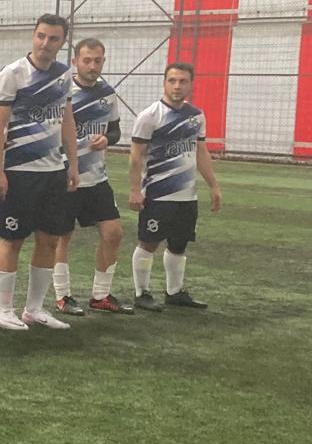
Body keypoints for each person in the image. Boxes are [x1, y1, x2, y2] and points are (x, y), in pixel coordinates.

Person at [0, 13, 80, 331]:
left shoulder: (64, 75)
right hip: (19, 172)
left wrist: (73, 165)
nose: (45, 43)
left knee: (50, 240)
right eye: (41, 36)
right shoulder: (13, 74)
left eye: (53, 38)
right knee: (12, 239)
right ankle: (3, 310)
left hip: (53, 171)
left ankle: (34, 309)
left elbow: (67, 120)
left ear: (62, 42)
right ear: (33, 35)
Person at [128, 61, 221, 311]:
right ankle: (141, 293)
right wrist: (135, 190)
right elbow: (136, 156)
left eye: (182, 81)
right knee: (149, 242)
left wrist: (213, 185)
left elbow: (200, 151)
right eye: (172, 81)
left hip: (187, 195)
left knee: (179, 244)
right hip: (158, 194)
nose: (177, 86)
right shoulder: (150, 116)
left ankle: (174, 291)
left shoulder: (196, 116)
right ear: (164, 83)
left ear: (191, 84)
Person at [53, 37, 130, 315]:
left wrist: (107, 139)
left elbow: (116, 130)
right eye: (87, 60)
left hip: (97, 178)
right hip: (65, 177)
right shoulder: (62, 91)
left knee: (113, 233)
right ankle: (63, 296)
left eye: (97, 61)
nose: (92, 66)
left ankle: (100, 295)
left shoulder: (108, 94)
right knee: (62, 236)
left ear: (103, 62)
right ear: (75, 61)